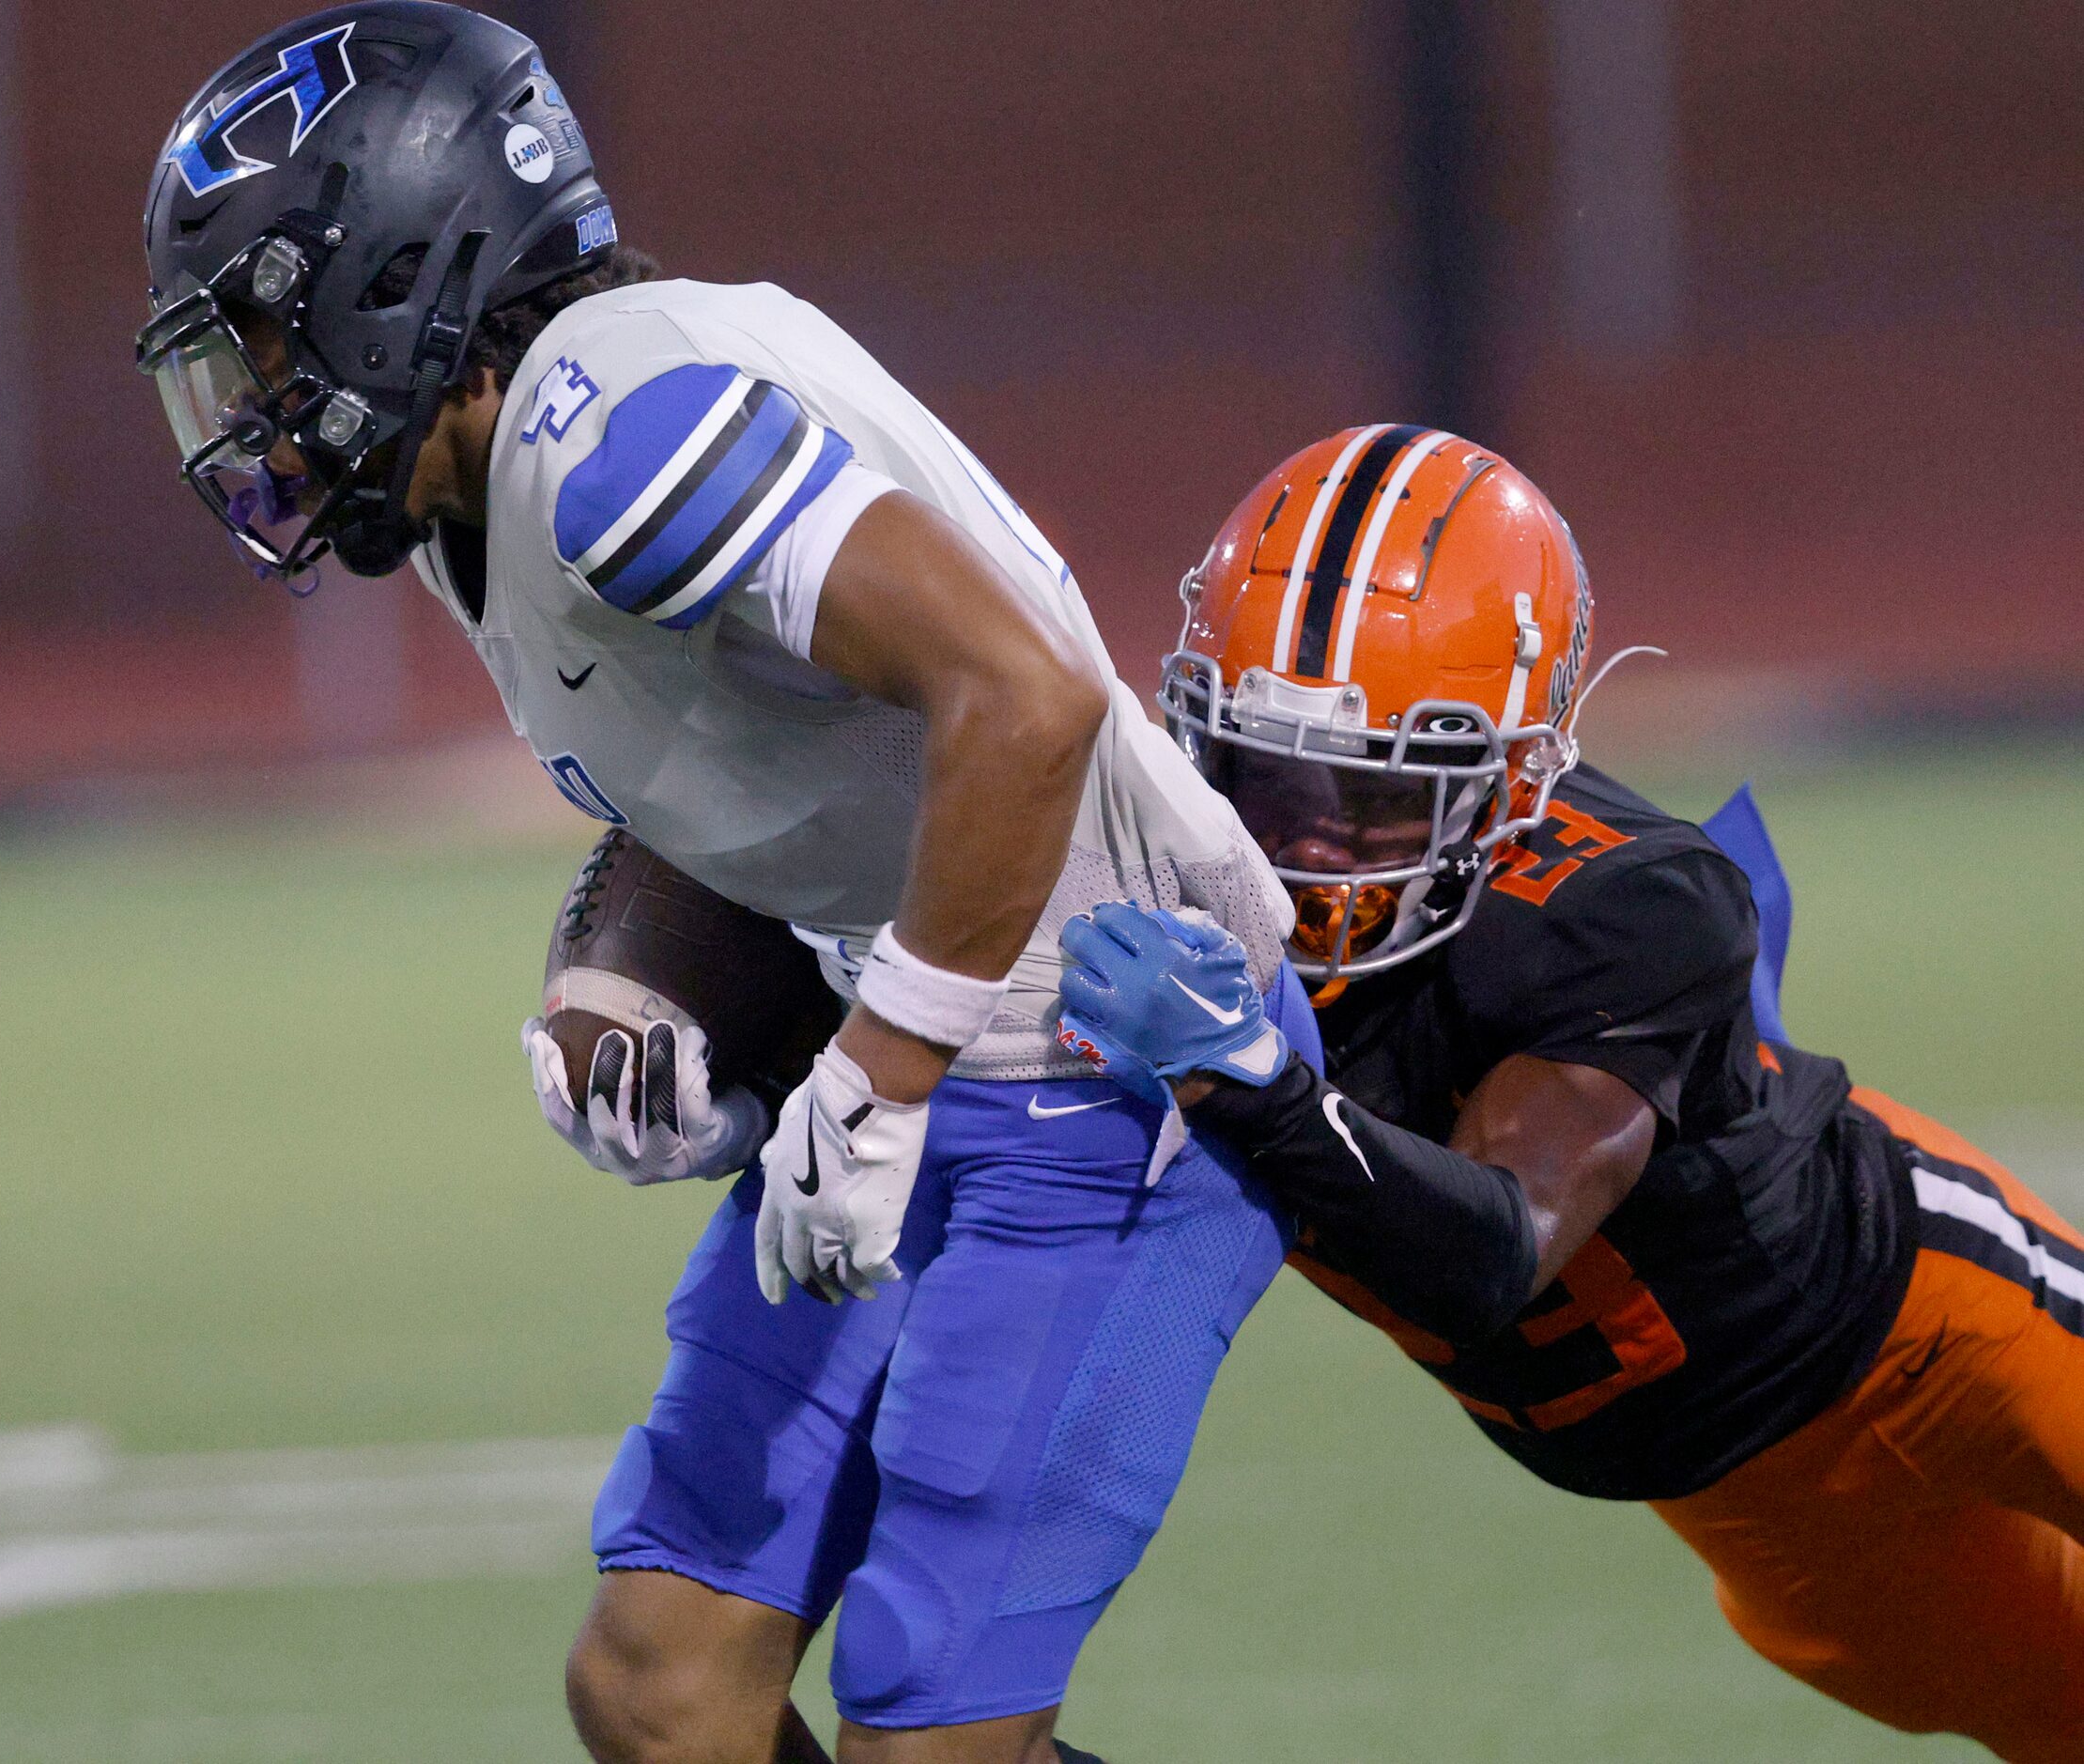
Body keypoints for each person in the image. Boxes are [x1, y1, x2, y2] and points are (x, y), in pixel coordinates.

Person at [136, 7, 1293, 1759]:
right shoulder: (484, 473)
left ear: (400, 268)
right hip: (920, 1033)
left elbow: (1022, 699)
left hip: (1110, 1056)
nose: (255, 404)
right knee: (662, 1691)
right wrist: (642, 982)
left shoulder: (612, 439)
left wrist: (877, 1073)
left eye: (274, 336)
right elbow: (769, 751)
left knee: (932, 1735)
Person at [1055, 426, 2084, 1761]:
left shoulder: (1624, 903)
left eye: (1370, 790)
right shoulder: (1139, 879)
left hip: (1929, 1329)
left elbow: (1494, 1248)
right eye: (1262, 773)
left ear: (1509, 777)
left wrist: (1251, 1082)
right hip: (1747, 1498)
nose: (1304, 843)